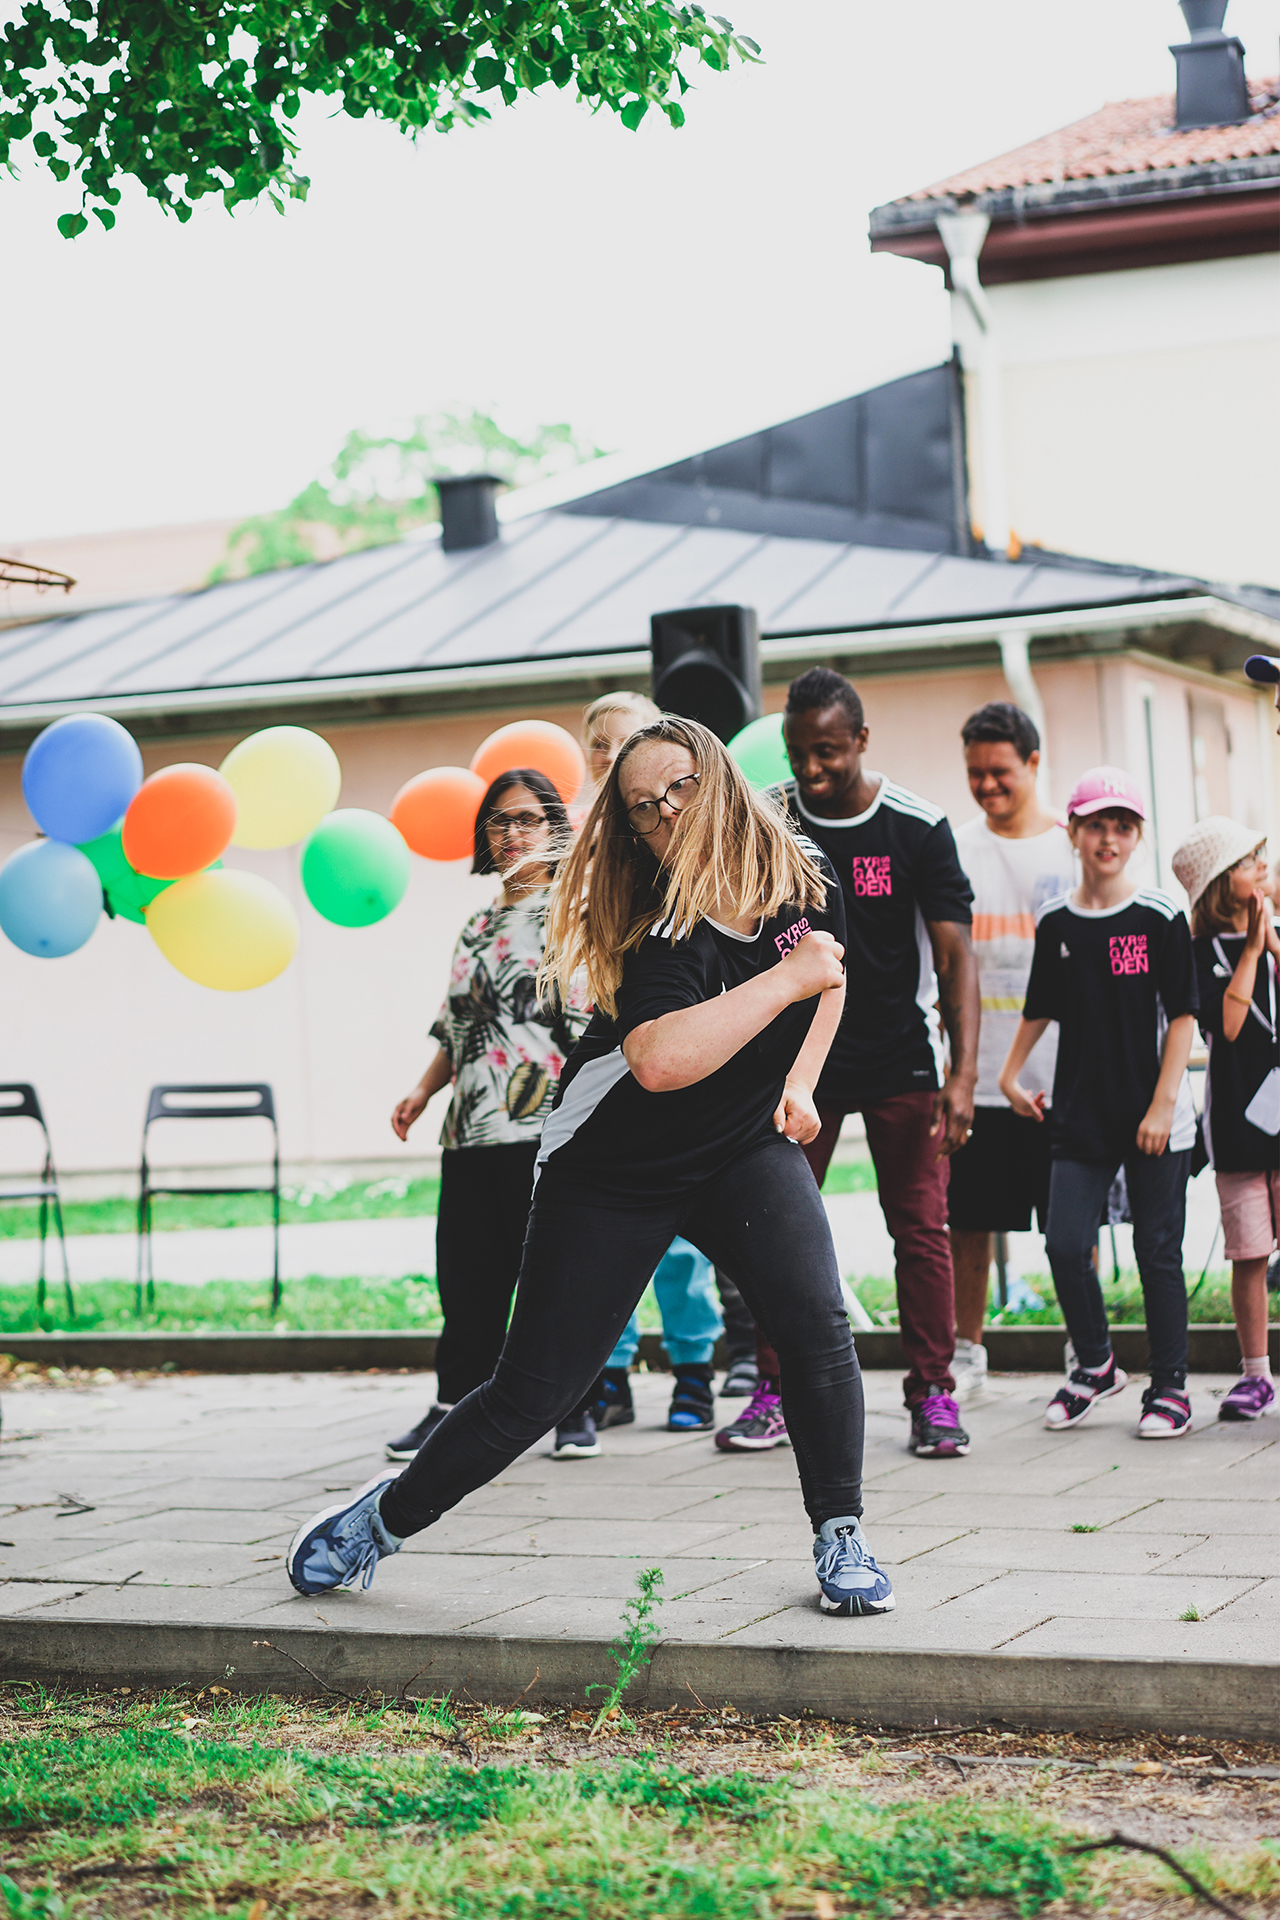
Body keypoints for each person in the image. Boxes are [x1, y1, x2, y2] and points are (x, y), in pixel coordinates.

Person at [288, 717, 895, 1619]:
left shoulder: (799, 872)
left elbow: (830, 977)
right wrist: (785, 981)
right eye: (644, 807)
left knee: (815, 1322)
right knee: (536, 1391)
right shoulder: (658, 927)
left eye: (681, 787)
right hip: (615, 1168)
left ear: (719, 779)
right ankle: (379, 1521)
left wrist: (800, 1082)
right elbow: (659, 1061)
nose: (667, 812)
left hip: (740, 1147)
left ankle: (841, 1534)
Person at [717, 666, 979, 1460]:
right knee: (775, 1232)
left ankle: (933, 1395)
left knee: (920, 1231)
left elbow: (956, 956)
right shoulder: (767, 818)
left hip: (901, 1059)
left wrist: (962, 1076)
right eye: (798, 752)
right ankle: (775, 1391)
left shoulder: (917, 827)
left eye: (827, 751)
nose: (811, 768)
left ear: (861, 740)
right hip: (797, 1066)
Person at [383, 768, 590, 1463]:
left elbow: (589, 1026)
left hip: (546, 1127)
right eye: (499, 820)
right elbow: (457, 1027)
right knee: (467, 1276)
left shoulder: (573, 914)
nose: (512, 833)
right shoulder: (474, 926)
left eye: (528, 818)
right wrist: (422, 1092)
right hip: (470, 1128)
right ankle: (453, 1406)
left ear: (555, 828)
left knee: (553, 1276)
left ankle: (572, 1411)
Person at [999, 767, 1198, 1438]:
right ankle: (1095, 1365)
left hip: (1154, 1113)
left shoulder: (1160, 915)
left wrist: (1163, 1106)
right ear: (1074, 833)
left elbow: (1183, 1016)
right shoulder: (1056, 922)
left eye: (1121, 826)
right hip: (1081, 1110)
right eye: (1095, 826)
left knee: (1156, 1252)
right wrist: (1008, 1076)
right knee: (1064, 1243)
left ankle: (1170, 1388)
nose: (1108, 838)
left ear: (1136, 837)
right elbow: (1040, 1006)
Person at [577, 690, 742, 1437]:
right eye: (601, 745)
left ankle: (693, 1370)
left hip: (680, 1053)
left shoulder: (686, 848)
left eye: (630, 741)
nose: (614, 756)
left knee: (678, 1246)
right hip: (609, 1058)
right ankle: (608, 1374)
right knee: (603, 1241)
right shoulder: (587, 851)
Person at [948, 702, 1076, 1401]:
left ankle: (1085, 1348)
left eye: (1000, 771)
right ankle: (967, 1352)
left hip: (1060, 1074)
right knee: (968, 1219)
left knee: (1069, 1225)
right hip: (978, 1071)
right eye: (975, 773)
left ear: (1033, 762)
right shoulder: (956, 847)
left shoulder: (1073, 845)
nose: (987, 785)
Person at [1172, 818, 1277, 1420]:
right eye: (1246, 860)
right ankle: (1256, 1374)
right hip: (1237, 1129)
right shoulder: (1198, 952)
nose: (1261, 865)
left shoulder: (1275, 936)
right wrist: (1254, 952)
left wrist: (1271, 942)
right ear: (1217, 883)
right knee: (1250, 1252)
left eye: (1261, 855)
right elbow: (1229, 1028)